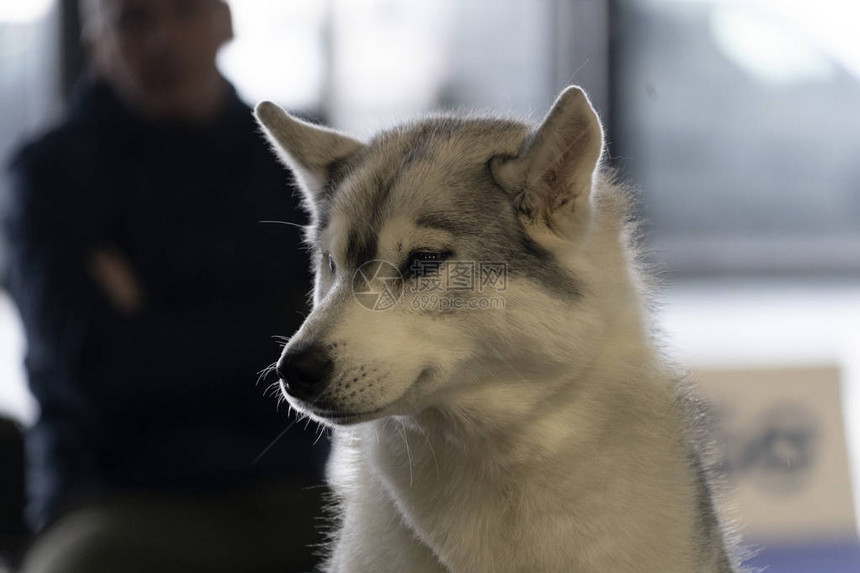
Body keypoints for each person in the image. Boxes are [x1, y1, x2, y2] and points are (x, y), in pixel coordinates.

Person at [1, 1, 329, 571]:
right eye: (132, 20)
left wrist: (150, 323)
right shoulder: (51, 173)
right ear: (94, 39)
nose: (163, 39)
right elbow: (95, 372)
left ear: (225, 21)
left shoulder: (291, 165)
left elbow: (333, 351)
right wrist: (272, 326)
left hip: (287, 488)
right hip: (113, 499)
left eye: (186, 10)